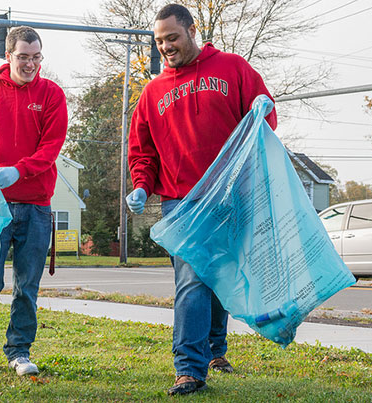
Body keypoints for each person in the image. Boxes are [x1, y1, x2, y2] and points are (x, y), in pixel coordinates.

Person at [126, 4, 277, 396]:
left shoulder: (232, 68)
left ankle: (215, 350)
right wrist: (142, 185)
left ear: (192, 31)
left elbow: (264, 116)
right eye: (159, 41)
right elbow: (142, 151)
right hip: (183, 202)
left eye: (172, 38)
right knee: (192, 281)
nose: (166, 47)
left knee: (219, 277)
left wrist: (264, 110)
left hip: (231, 194)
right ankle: (189, 369)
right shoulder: (152, 92)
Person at [0, 26, 68, 376]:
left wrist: (17, 171)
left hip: (35, 204)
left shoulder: (51, 94)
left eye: (36, 57)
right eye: (23, 57)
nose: (31, 64)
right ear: (8, 56)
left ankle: (19, 351)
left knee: (26, 286)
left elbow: (50, 149)